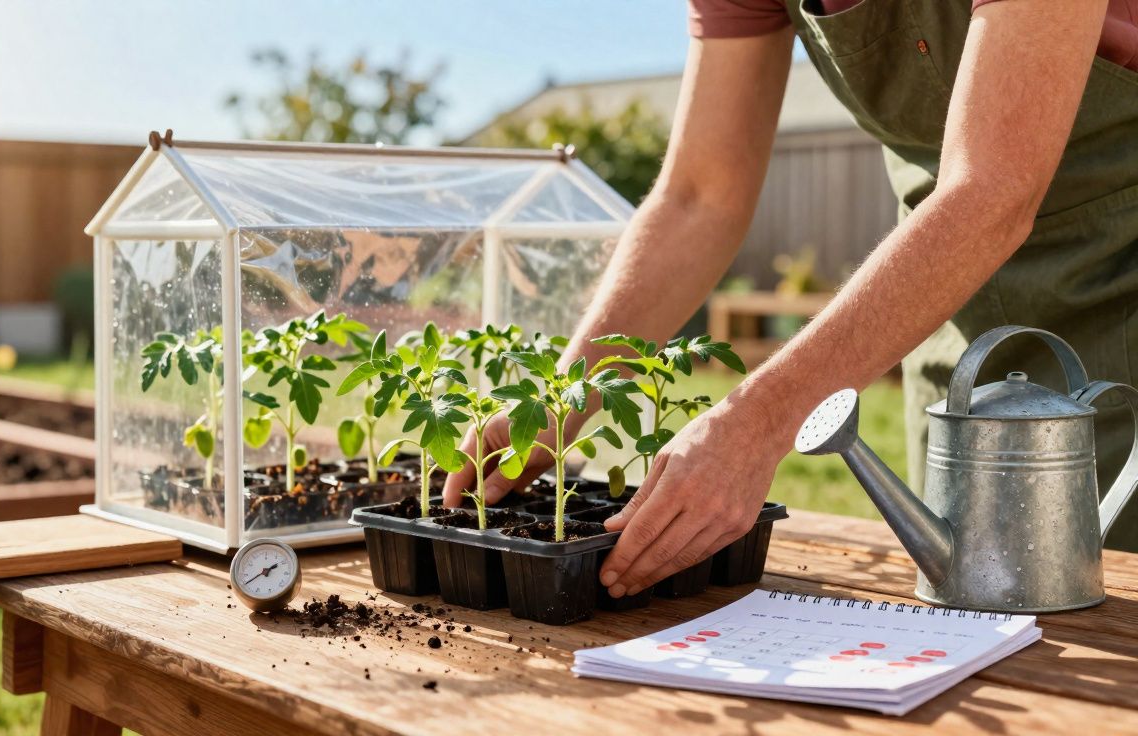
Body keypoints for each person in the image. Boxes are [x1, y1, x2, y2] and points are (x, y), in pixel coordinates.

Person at [444, 0, 1138, 599]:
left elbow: (991, 186)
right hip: (950, 283)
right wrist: (568, 391)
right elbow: (698, 198)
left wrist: (758, 420)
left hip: (1116, 253)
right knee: (974, 594)